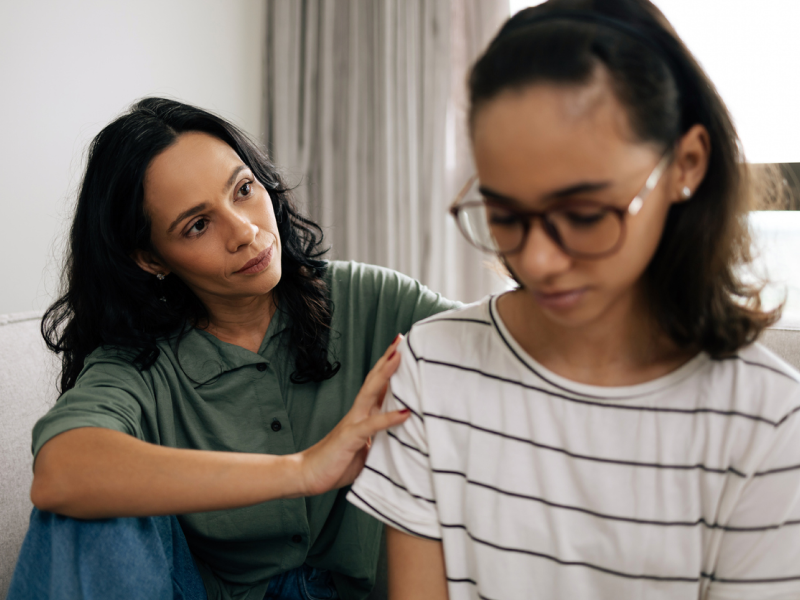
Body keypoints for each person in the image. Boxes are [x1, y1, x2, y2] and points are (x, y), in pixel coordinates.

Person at [347, 1, 800, 598]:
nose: (536, 261)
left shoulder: (766, 421)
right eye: (505, 214)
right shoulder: (433, 367)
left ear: (686, 165)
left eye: (584, 214)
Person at [8, 97, 459, 600]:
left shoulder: (370, 301)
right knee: (86, 510)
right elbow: (61, 474)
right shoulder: (137, 363)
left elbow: (503, 346)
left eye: (243, 190)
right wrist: (303, 470)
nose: (245, 232)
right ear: (150, 258)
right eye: (197, 225)